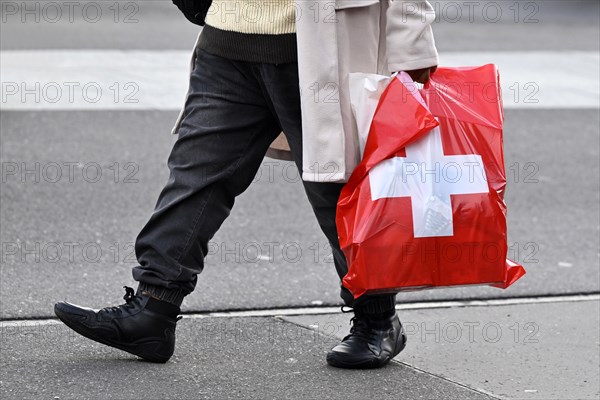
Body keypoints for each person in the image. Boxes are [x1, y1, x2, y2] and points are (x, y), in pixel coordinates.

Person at [54, 0, 438, 369]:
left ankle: (377, 319)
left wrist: (412, 49)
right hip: (228, 34)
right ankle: (153, 308)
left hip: (320, 43)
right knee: (195, 177)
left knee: (337, 191)